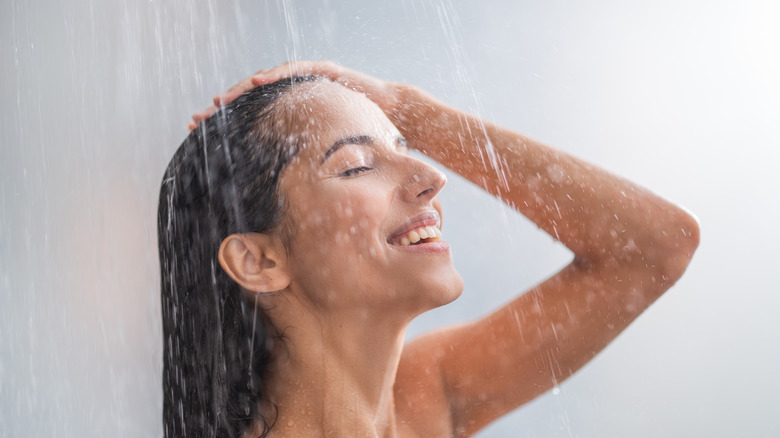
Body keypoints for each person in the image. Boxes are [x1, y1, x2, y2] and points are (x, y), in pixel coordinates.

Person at [159, 61, 699, 438]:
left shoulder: (423, 399)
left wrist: (408, 108)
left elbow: (654, 249)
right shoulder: (434, 400)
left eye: (406, 146)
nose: (431, 176)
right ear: (259, 261)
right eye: (355, 166)